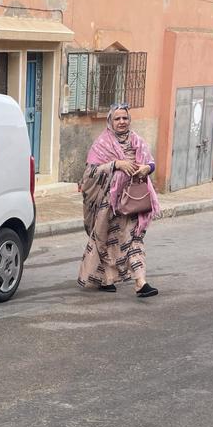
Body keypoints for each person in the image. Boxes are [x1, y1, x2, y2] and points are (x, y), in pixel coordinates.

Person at [77, 104, 161, 298]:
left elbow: (150, 162)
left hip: (134, 200)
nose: (122, 122)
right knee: (106, 239)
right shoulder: (102, 143)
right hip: (109, 204)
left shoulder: (137, 140)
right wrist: (116, 164)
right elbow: (90, 172)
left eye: (125, 118)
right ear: (110, 121)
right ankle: (106, 279)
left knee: (134, 238)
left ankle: (141, 282)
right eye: (117, 118)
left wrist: (147, 168)